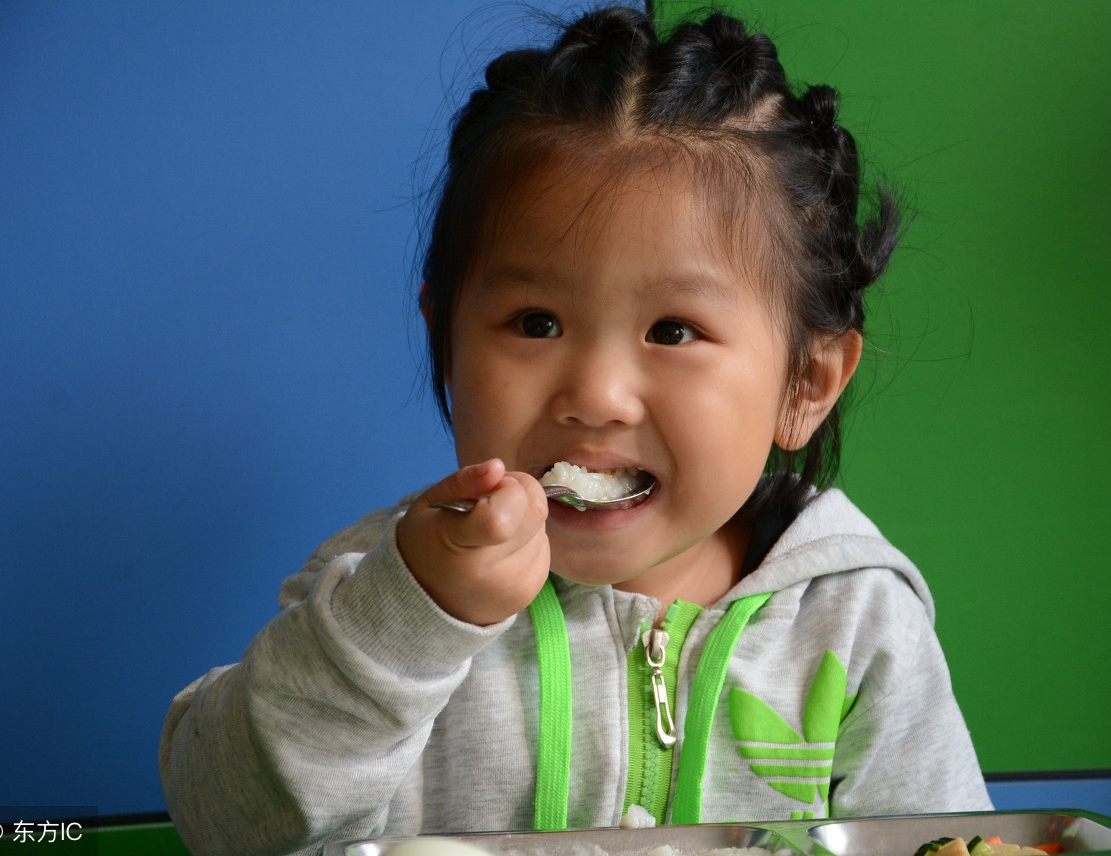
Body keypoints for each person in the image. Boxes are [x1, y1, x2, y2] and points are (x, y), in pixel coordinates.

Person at [159, 6, 992, 855]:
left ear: (804, 384)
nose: (595, 396)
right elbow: (223, 825)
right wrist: (410, 616)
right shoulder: (382, 588)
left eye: (672, 331)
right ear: (446, 338)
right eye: (535, 322)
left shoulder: (857, 625)